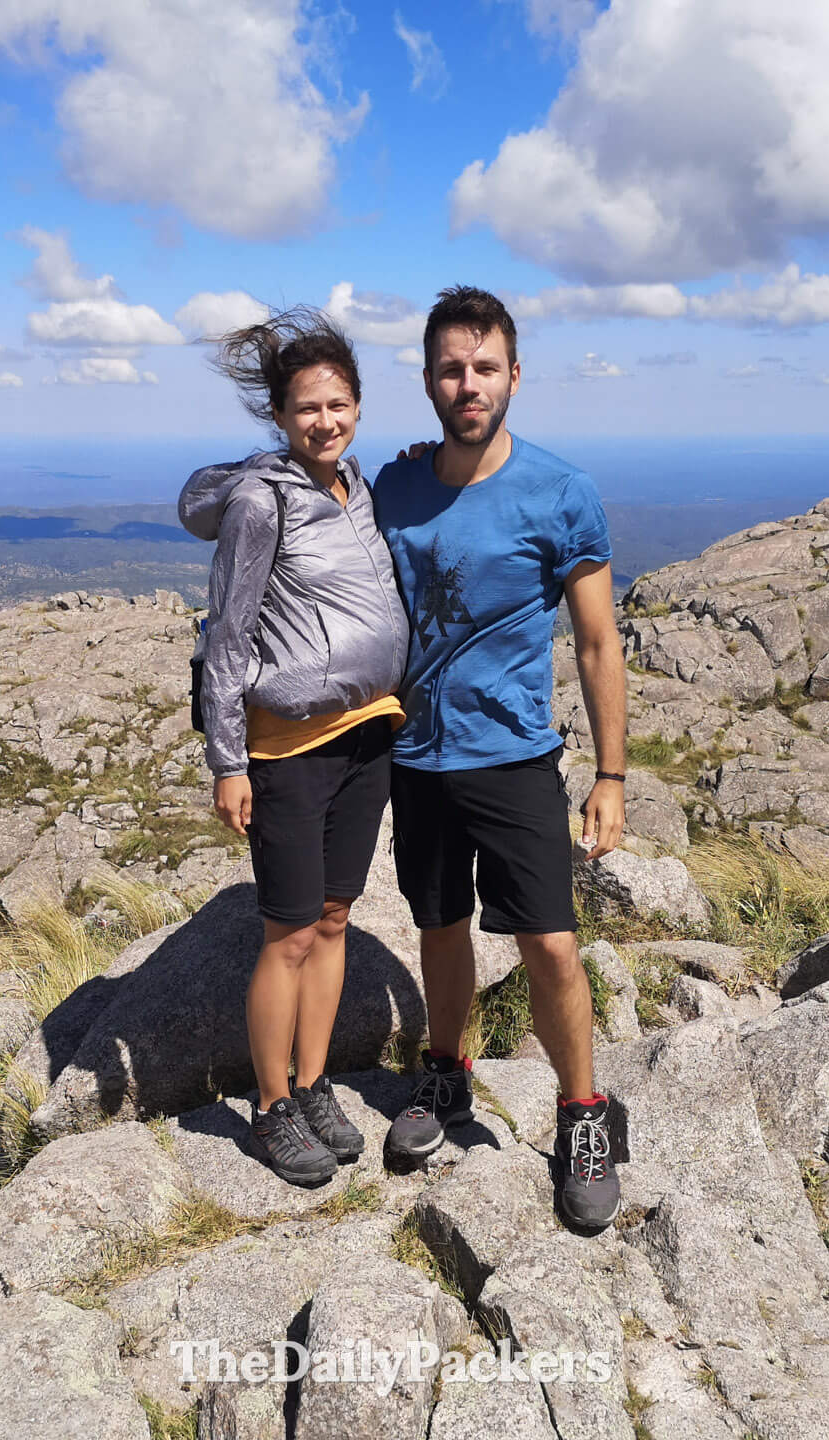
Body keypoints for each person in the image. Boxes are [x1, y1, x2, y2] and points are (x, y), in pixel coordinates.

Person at [372, 286, 629, 1231]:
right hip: (419, 756)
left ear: (514, 375)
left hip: (514, 756)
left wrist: (611, 774)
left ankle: (582, 1113)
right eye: (451, 368)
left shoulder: (563, 493)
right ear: (429, 380)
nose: (468, 383)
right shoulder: (393, 488)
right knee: (439, 927)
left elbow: (599, 643)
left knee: (550, 943)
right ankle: (447, 1078)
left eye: (484, 367)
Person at [178, 309, 410, 1188]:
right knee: (285, 935)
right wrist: (228, 762)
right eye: (308, 408)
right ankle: (272, 1107)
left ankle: (314, 1087)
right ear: (280, 415)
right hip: (288, 749)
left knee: (335, 918)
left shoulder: (358, 488)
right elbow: (230, 636)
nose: (326, 420)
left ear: (358, 406)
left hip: (366, 737)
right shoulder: (259, 499)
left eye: (340, 403)